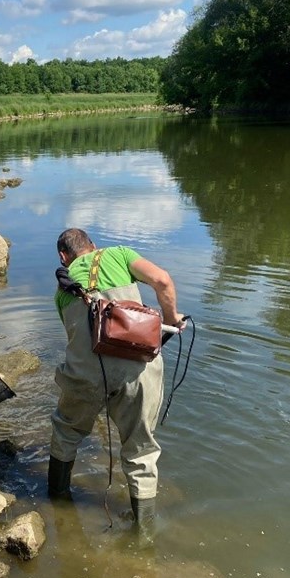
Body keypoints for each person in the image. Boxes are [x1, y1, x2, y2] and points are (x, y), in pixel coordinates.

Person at [49, 228, 184, 537]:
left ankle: (57, 505)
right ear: (94, 246)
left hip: (84, 374)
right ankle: (145, 535)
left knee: (66, 432)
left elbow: (78, 337)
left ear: (63, 258)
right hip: (137, 369)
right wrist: (171, 317)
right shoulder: (119, 255)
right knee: (140, 449)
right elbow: (162, 280)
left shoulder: (60, 294)